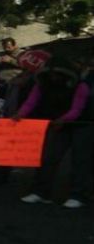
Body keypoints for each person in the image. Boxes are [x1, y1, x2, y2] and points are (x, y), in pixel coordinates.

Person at [17, 58, 92, 209]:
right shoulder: (42, 84)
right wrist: (20, 114)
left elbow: (77, 108)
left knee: (80, 160)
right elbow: (31, 102)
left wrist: (63, 119)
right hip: (58, 124)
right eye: (51, 74)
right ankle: (41, 192)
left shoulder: (81, 86)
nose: (53, 77)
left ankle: (77, 195)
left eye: (57, 74)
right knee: (48, 157)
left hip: (82, 124)